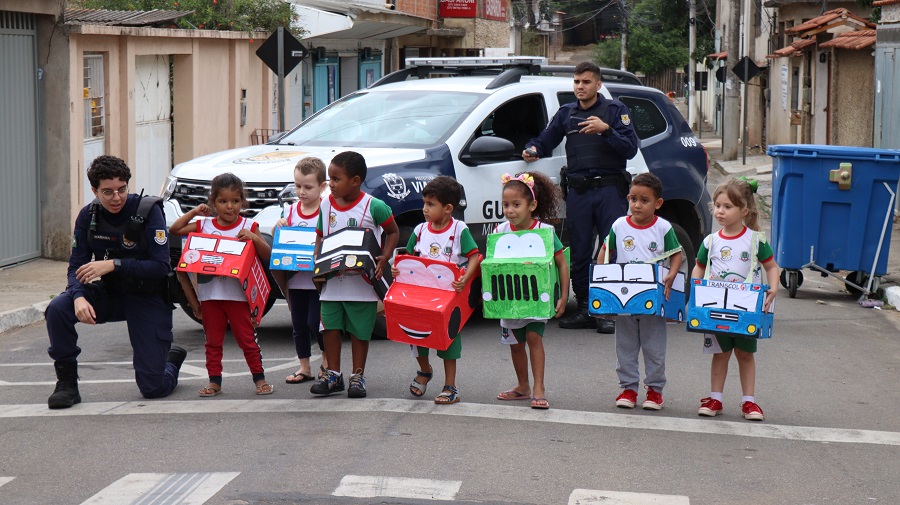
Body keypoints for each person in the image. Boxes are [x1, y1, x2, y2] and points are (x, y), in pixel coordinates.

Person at [45, 155, 186, 409]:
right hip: (112, 295)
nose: (116, 198)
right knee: (57, 309)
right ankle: (67, 384)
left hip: (149, 297)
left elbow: (161, 266)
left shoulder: (149, 211)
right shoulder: (88, 216)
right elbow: (76, 265)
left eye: (122, 189)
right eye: (107, 192)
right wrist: (77, 296)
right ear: (94, 191)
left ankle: (172, 360)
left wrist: (114, 264)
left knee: (153, 388)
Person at [522, 61, 639, 334]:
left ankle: (607, 311)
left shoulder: (614, 110)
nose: (580, 87)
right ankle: (586, 308)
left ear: (598, 85)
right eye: (576, 82)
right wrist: (532, 148)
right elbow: (546, 139)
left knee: (610, 250)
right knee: (581, 250)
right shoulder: (567, 113)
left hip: (610, 190)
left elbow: (631, 148)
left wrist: (606, 130)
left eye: (586, 82)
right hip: (579, 192)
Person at [169, 173, 274, 397]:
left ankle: (259, 378)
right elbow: (175, 230)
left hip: (238, 296)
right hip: (210, 296)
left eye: (235, 201)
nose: (229, 207)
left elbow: (267, 254)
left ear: (242, 202)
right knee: (213, 341)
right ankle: (214, 381)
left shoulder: (248, 225)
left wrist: (254, 238)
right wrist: (195, 212)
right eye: (223, 201)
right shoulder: (203, 225)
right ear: (213, 202)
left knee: (247, 340)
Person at [309, 151, 400, 398]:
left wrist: (385, 255)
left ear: (356, 180)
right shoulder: (326, 204)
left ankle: (357, 376)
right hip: (331, 281)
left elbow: (393, 231)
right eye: (329, 179)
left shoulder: (374, 206)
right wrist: (317, 256)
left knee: (360, 331)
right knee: (330, 327)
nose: (331, 185)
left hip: (361, 283)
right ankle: (333, 375)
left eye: (336, 179)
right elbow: (320, 233)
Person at [692, 179, 778, 421]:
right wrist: (696, 293)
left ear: (744, 211)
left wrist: (773, 288)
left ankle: (749, 402)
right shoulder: (710, 242)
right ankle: (715, 398)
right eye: (717, 205)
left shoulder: (755, 240)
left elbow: (771, 267)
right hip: (716, 306)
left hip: (746, 308)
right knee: (720, 353)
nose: (720, 211)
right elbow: (698, 269)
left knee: (745, 354)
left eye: (727, 206)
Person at [391, 176, 481, 405]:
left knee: (448, 340)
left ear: (448, 208)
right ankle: (424, 370)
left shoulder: (459, 229)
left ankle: (451, 387)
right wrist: (397, 269)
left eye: (431, 205)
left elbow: (475, 257)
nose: (424, 209)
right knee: (416, 333)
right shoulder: (420, 230)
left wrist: (464, 279)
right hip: (421, 294)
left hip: (447, 295)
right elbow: (408, 258)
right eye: (424, 203)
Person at [596, 173, 682, 410]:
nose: (637, 205)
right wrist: (603, 276)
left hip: (652, 300)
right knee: (625, 345)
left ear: (658, 203)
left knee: (654, 346)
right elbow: (605, 249)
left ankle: (655, 390)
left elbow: (677, 254)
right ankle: (628, 389)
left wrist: (672, 274)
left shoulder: (663, 227)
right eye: (633, 199)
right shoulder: (619, 225)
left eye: (644, 200)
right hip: (624, 297)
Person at [493, 172, 569, 410]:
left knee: (534, 338)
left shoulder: (545, 232)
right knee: (515, 344)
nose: (510, 210)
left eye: (516, 204)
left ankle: (539, 387)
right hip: (509, 300)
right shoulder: (500, 231)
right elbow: (491, 266)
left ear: (532, 205)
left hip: (536, 298)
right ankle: (522, 386)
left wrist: (564, 296)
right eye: (506, 205)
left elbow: (561, 263)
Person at [273, 157, 329, 384]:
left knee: (317, 322)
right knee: (298, 323)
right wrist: (280, 225)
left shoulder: (326, 209)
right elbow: (282, 238)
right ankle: (304, 366)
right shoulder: (291, 211)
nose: (301, 192)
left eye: (307, 187)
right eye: (297, 186)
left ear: (322, 186)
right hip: (296, 278)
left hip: (318, 279)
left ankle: (327, 363)